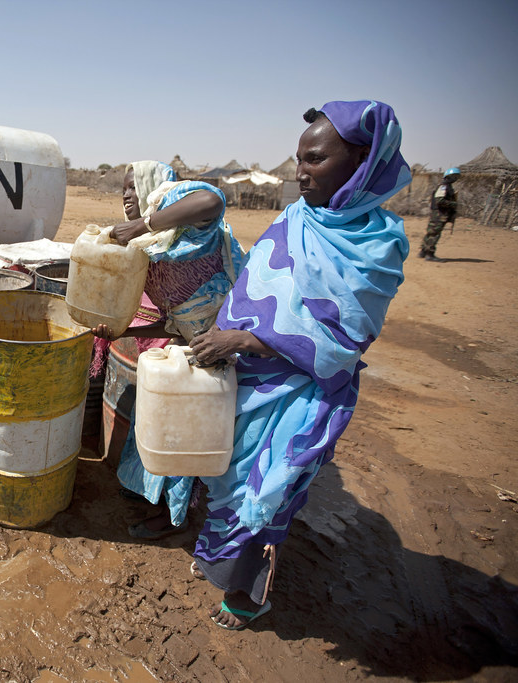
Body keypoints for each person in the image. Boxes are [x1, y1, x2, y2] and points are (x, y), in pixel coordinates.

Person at [187, 100, 411, 630]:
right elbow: (253, 289)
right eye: (298, 159)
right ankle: (219, 555)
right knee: (226, 478)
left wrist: (244, 337)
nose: (299, 172)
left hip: (303, 394)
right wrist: (225, 333)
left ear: (362, 159)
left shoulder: (376, 248)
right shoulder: (294, 218)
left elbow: (345, 342)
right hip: (248, 380)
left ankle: (245, 594)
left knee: (270, 493)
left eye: (314, 159)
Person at [91, 161, 247, 539]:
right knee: (160, 427)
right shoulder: (156, 245)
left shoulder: (179, 214)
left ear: (151, 187)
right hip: (188, 341)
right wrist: (122, 330)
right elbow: (175, 319)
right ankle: (155, 501)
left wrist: (143, 224)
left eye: (133, 186)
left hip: (218, 345)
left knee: (184, 437)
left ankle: (172, 518)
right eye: (123, 188)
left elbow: (212, 199)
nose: (126, 195)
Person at [418, 167, 459, 261]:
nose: (455, 179)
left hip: (439, 214)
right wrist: (453, 203)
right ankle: (429, 254)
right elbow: (439, 200)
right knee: (434, 233)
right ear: (448, 177)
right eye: (454, 176)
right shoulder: (444, 187)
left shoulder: (447, 187)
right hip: (439, 214)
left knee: (431, 232)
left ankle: (423, 251)